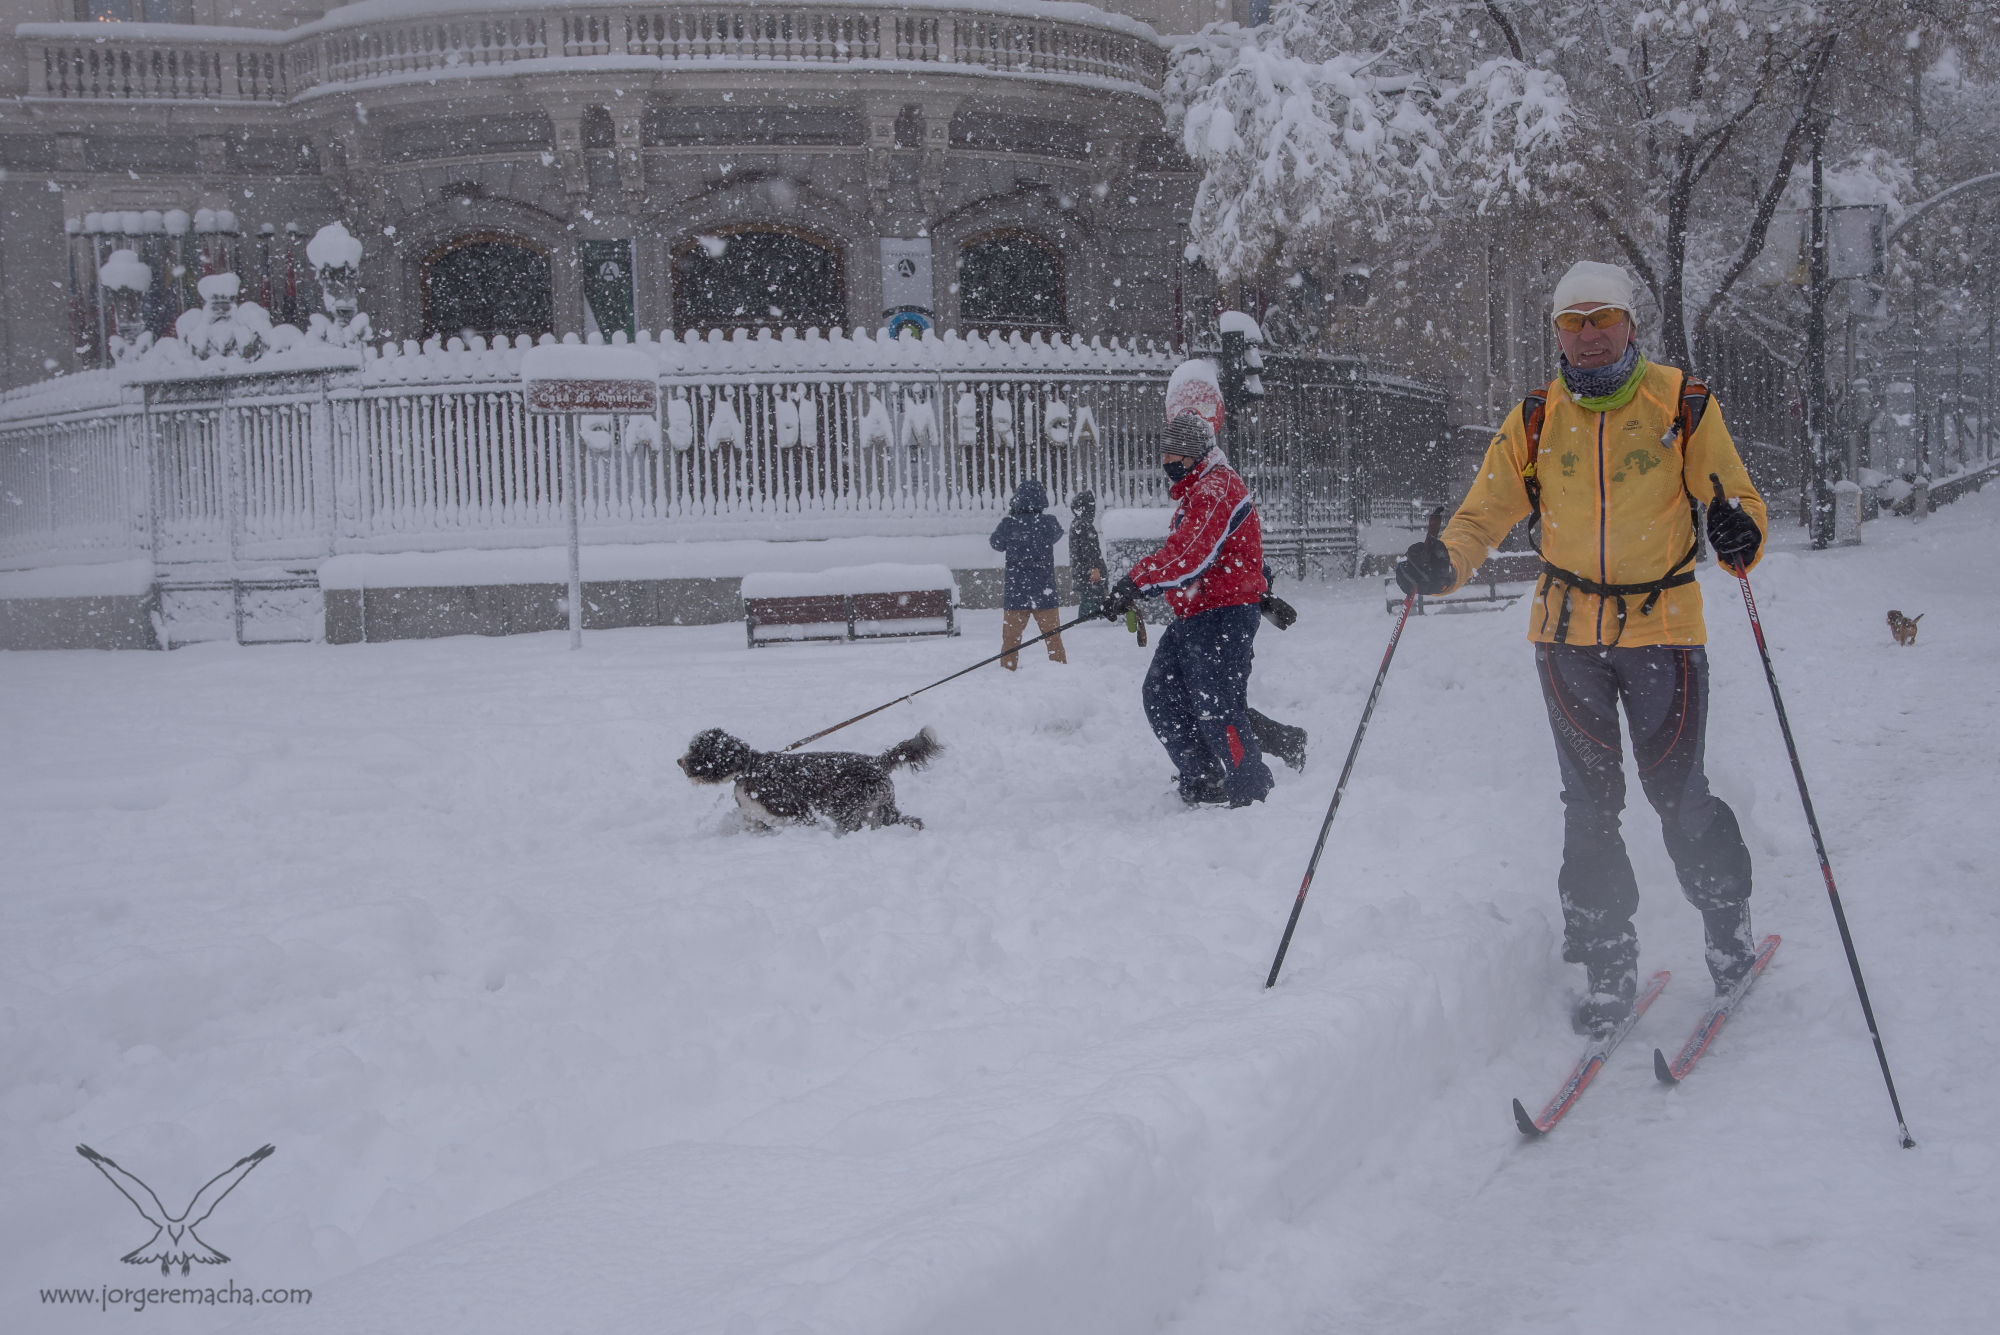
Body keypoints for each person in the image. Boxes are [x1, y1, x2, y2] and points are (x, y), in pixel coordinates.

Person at [1396, 259, 1769, 1036]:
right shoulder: (1535, 418)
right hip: (1566, 639)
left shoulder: (1683, 404)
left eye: (1603, 319)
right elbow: (1480, 516)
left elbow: (1739, 498)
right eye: (1573, 323)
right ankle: (1607, 962)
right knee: (1590, 808)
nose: (1590, 336)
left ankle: (1727, 926)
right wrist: (1445, 562)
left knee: (1679, 795)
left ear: (1631, 324)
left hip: (1663, 631)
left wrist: (1741, 532)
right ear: (1558, 334)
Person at [1102, 412, 1276, 807]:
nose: (1167, 463)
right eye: (1165, 454)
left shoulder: (1216, 489)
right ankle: (1204, 778)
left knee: (1217, 708)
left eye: (1174, 455)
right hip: (1196, 613)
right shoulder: (1201, 489)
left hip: (1223, 615)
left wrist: (1136, 582)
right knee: (1161, 696)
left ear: (1195, 455)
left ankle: (1251, 790)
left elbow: (1188, 556)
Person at [989, 478, 1067, 670]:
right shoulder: (1049, 523)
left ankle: (1008, 669)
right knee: (1053, 637)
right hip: (1045, 590)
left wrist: (1014, 520)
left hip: (1017, 592)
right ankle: (1060, 669)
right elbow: (1057, 534)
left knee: (1010, 639)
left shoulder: (1009, 524)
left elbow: (996, 543)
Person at [1069, 489, 1108, 619]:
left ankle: (1089, 622)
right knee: (1093, 601)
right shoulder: (1084, 525)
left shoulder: (1077, 524)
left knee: (1089, 599)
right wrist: (1094, 568)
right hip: (1089, 573)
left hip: (1083, 571)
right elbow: (1089, 551)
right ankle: (1089, 625)